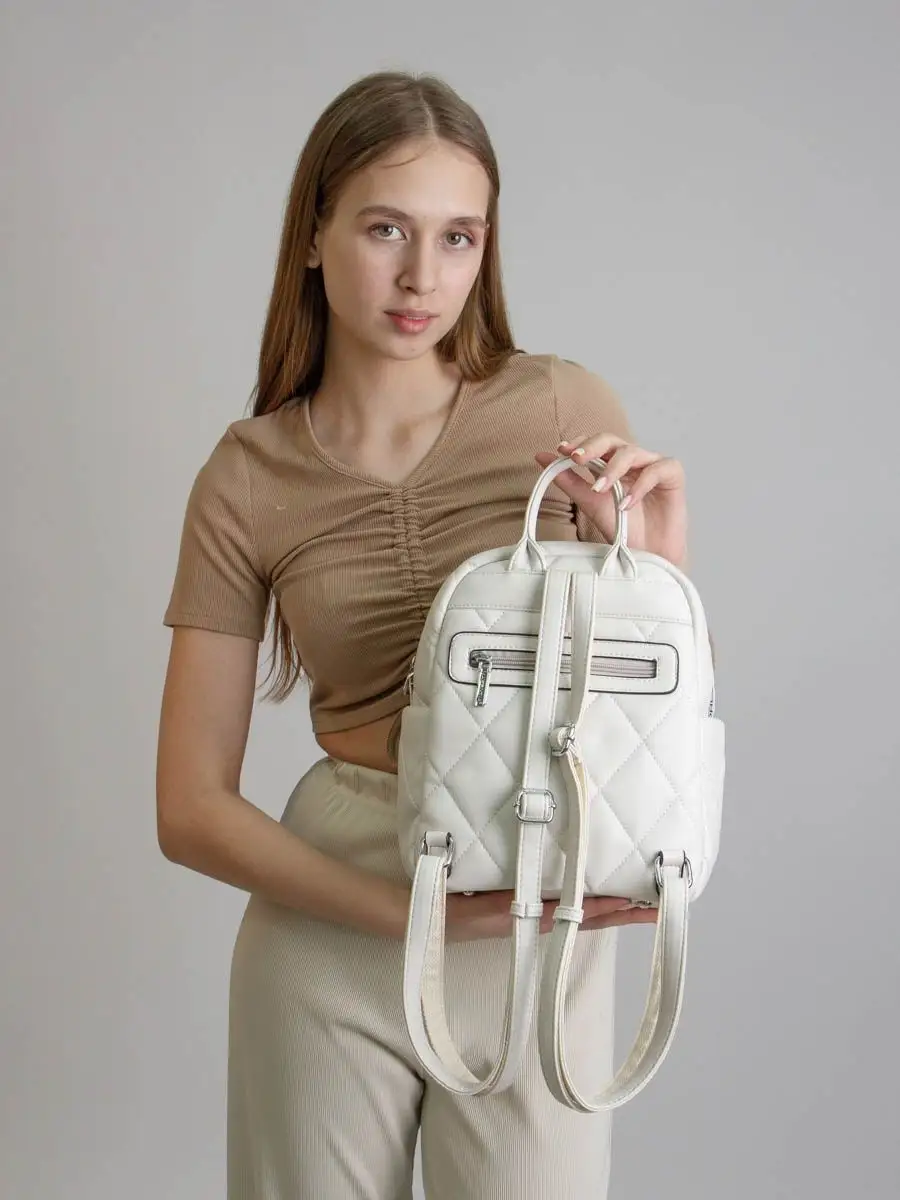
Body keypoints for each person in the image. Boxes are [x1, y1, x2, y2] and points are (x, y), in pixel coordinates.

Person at [156, 69, 692, 1200]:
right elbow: (189, 808)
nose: (423, 278)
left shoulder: (560, 408)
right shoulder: (246, 477)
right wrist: (406, 917)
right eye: (386, 229)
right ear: (314, 237)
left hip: (531, 909)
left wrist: (659, 556)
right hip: (334, 916)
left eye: (459, 238)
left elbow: (651, 715)